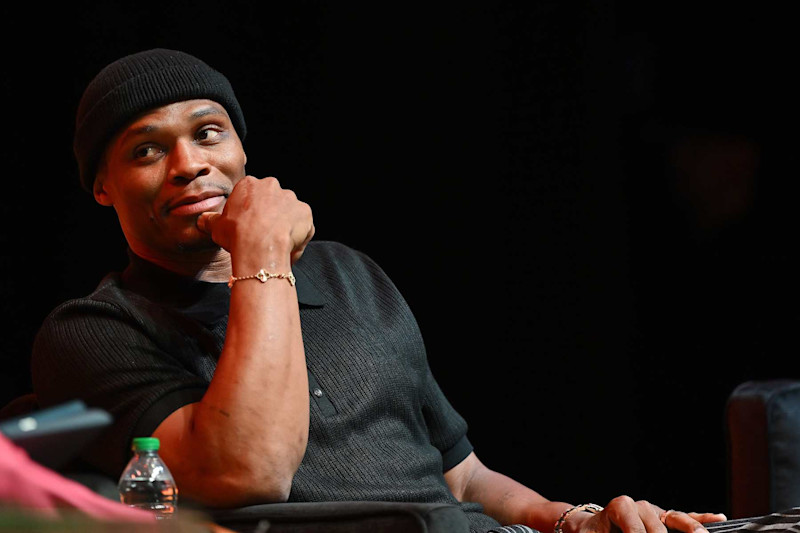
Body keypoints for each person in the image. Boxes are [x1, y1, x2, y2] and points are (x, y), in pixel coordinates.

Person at [31, 48, 725, 533]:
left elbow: (462, 477)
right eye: (146, 150)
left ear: (241, 151)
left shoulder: (348, 274)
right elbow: (248, 470)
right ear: (102, 187)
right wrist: (263, 250)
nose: (189, 164)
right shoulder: (93, 331)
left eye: (208, 133)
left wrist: (574, 518)